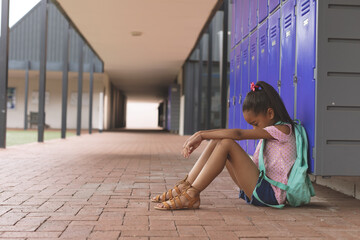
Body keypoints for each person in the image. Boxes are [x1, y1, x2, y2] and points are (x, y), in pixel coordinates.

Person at [152, 81, 296, 210]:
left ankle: (192, 194)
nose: (254, 129)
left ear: (270, 113)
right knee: (218, 140)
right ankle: (185, 186)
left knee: (227, 142)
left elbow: (238, 134)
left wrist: (201, 135)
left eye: (255, 124)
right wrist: (202, 135)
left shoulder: (283, 129)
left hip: (270, 194)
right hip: (259, 188)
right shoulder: (272, 130)